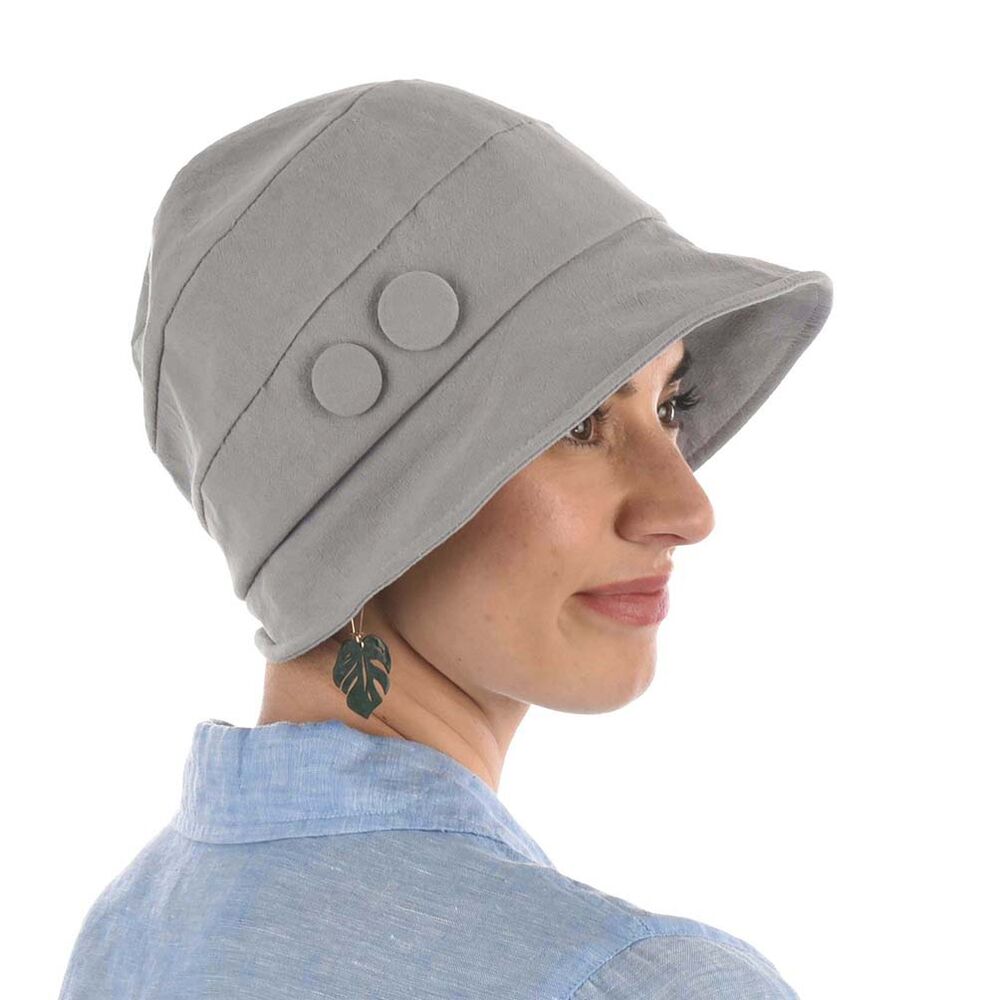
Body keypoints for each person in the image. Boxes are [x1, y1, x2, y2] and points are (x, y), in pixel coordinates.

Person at [58, 78, 833, 999]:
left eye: (671, 405)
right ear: (360, 512)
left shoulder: (125, 938)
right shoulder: (633, 982)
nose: (688, 508)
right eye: (577, 421)